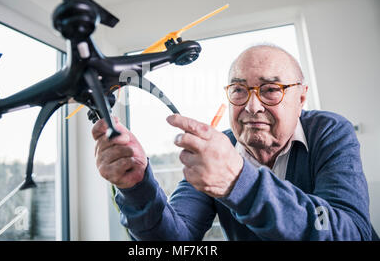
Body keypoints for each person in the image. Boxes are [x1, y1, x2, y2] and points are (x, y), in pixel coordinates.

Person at [92, 44, 376, 240]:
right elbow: (174, 239)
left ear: (301, 98)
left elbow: (350, 232)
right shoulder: (216, 149)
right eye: (239, 90)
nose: (252, 106)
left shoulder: (328, 130)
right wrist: (136, 186)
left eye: (270, 90)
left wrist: (239, 181)